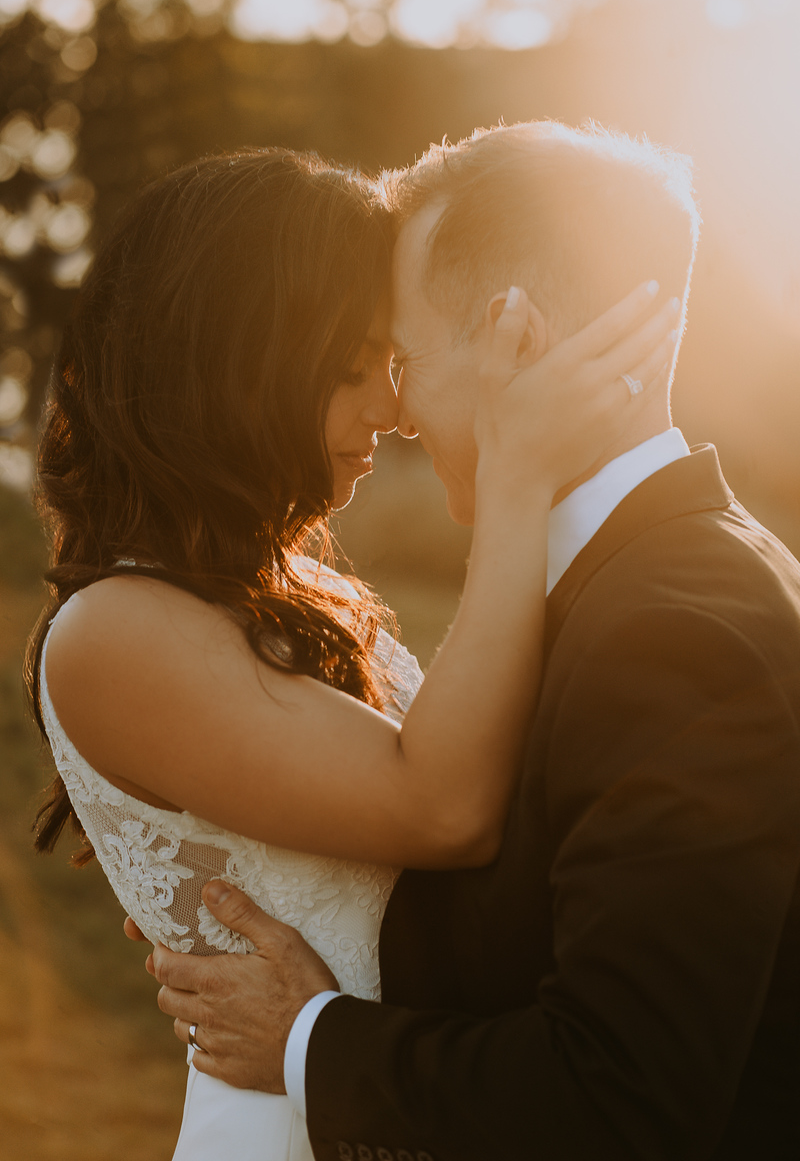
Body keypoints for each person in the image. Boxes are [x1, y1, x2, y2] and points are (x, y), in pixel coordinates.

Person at [147, 122, 800, 1161]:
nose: (394, 412)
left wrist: (305, 1037)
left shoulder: (675, 629)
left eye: (404, 358)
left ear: (513, 337)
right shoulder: (628, 581)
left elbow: (619, 1093)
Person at [27, 143, 675, 1161]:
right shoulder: (115, 631)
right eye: (347, 366)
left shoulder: (297, 590)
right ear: (234, 360)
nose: (389, 406)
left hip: (389, 1097)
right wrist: (514, 476)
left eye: (391, 360)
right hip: (293, 1128)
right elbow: (443, 807)